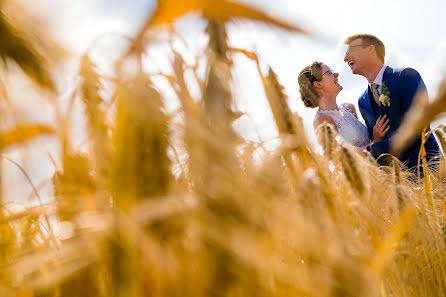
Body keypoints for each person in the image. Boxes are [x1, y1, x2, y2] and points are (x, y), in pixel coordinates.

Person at [343, 34, 439, 169]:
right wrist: (376, 141)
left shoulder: (406, 76)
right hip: (396, 181)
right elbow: (379, 149)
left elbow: (419, 129)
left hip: (429, 172)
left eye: (350, 51)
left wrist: (369, 149)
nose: (346, 58)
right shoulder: (363, 102)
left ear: (371, 49)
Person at [298, 61, 389, 148]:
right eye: (329, 72)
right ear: (318, 84)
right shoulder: (322, 120)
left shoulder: (349, 108)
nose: (336, 74)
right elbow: (341, 157)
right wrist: (375, 143)